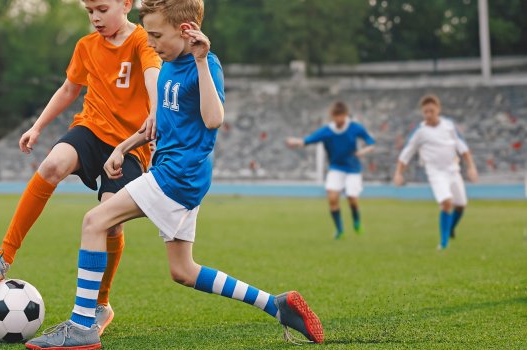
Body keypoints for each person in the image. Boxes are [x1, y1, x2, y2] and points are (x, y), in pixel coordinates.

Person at [26, 1, 323, 348]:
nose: (149, 43)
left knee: (95, 222)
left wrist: (200, 60)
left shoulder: (205, 64)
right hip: (178, 173)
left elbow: (214, 119)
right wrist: (122, 148)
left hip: (178, 175)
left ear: (185, 31)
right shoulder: (166, 63)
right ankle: (277, 305)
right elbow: (156, 125)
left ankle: (81, 327)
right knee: (183, 271)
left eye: (155, 35)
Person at [0, 0, 162, 335]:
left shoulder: (143, 41)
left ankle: (101, 304)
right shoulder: (86, 46)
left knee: (109, 223)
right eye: (89, 11)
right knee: (51, 166)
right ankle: (3, 256)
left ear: (126, 4)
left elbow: (153, 77)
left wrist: (157, 113)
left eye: (102, 9)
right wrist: (38, 126)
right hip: (90, 129)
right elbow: (70, 89)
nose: (95, 18)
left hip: (129, 146)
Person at [393, 94, 478, 249]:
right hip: (436, 173)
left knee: (460, 205)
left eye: (431, 111)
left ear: (438, 109)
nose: (429, 115)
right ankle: (443, 243)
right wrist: (398, 173)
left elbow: (463, 147)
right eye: (425, 112)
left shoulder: (449, 126)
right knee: (446, 203)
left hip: (453, 170)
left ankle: (450, 228)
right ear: (422, 112)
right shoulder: (420, 132)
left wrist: (471, 167)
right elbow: (406, 153)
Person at [286, 102, 376, 239]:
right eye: (335, 117)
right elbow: (309, 140)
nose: (338, 120)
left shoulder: (354, 128)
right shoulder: (327, 131)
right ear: (332, 116)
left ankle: (356, 221)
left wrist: (364, 151)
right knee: (332, 198)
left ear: (345, 115)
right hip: (336, 168)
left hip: (353, 168)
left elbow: (371, 142)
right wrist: (296, 142)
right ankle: (340, 231)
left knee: (352, 198)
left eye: (340, 116)